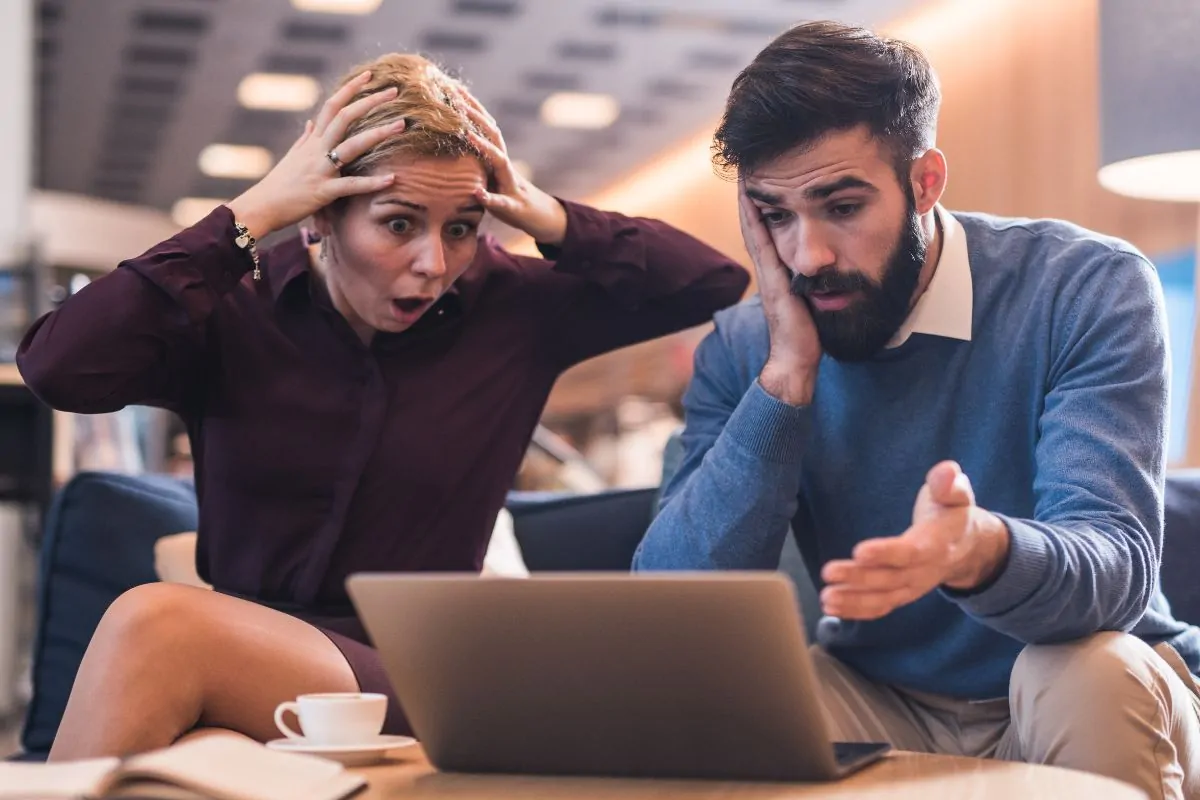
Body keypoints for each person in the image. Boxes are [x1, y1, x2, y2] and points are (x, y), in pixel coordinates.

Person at [19, 53, 748, 760]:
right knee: (190, 759)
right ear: (320, 218)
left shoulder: (513, 309)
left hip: (432, 675)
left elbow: (710, 283)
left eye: (460, 228)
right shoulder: (235, 313)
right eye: (399, 224)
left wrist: (546, 213)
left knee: (158, 624)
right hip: (257, 670)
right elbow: (57, 368)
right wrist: (247, 216)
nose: (434, 262)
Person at [632, 20, 1200, 799]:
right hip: (879, 696)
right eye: (776, 215)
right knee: (711, 702)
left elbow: (1116, 571)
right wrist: (786, 380)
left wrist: (980, 551)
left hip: (1088, 680)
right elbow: (671, 611)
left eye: (841, 205)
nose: (807, 256)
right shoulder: (745, 348)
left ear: (926, 182)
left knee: (1083, 670)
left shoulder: (1083, 286)